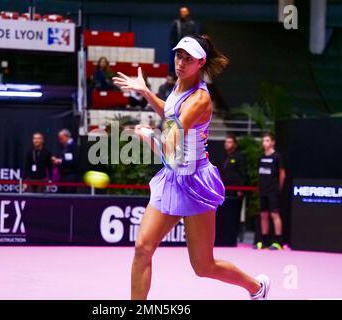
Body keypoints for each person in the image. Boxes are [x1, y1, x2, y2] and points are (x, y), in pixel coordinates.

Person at [113, 34, 270, 300]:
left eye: (188, 59)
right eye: (178, 55)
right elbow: (170, 112)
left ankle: (257, 287)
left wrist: (147, 136)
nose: (181, 62)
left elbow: (169, 150)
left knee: (203, 266)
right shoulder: (178, 86)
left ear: (201, 63)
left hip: (196, 183)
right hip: (172, 178)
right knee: (142, 248)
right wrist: (146, 92)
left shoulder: (200, 100)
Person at [255, 132, 286, 250]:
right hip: (263, 190)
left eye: (267, 140)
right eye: (263, 141)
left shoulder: (277, 157)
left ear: (273, 142)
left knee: (274, 214)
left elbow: (282, 174)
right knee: (263, 215)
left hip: (273, 190)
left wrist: (278, 188)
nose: (265, 143)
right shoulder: (261, 157)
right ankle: (264, 241)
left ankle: (278, 242)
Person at [169, 7, 199, 72]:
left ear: (188, 12)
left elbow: (195, 36)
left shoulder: (192, 24)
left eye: (184, 11)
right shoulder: (176, 23)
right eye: (181, 11)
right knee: (175, 64)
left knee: (188, 64)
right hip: (178, 47)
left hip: (189, 48)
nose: (182, 13)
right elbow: (172, 36)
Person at [52, 129, 80, 194]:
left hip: (71, 176)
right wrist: (57, 161)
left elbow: (74, 161)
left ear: (67, 136)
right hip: (63, 175)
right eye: (59, 139)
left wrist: (61, 161)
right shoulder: (64, 147)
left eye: (62, 138)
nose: (60, 141)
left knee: (70, 196)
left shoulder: (74, 146)